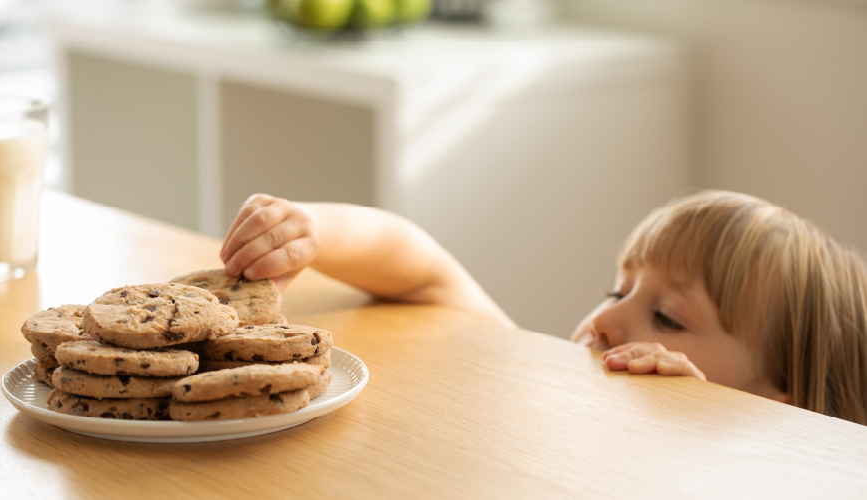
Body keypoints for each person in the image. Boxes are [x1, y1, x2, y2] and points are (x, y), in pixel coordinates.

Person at [219, 190, 867, 425]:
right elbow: (423, 270)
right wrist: (311, 230)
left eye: (667, 317)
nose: (608, 318)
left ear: (777, 417)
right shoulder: (536, 397)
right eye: (618, 289)